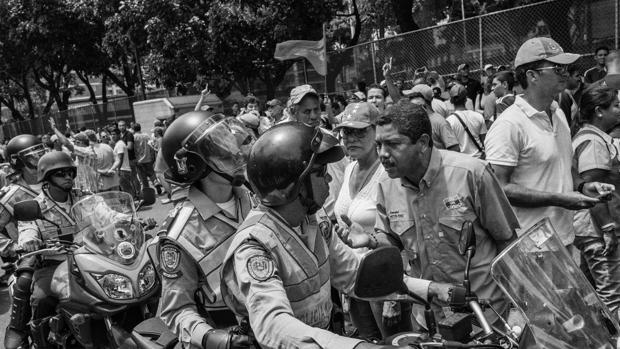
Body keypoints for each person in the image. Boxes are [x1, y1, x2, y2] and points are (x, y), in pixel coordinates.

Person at [220, 122, 438, 349]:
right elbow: (273, 324)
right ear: (293, 184)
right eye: (320, 172)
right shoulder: (255, 246)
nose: (329, 180)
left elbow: (355, 275)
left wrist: (431, 290)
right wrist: (358, 347)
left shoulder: (315, 218)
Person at [339, 102, 519, 325]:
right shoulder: (387, 184)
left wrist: (517, 305)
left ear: (423, 143)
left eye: (393, 144)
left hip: (485, 316)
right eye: (379, 145)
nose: (383, 154)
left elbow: (509, 244)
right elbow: (393, 242)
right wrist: (371, 240)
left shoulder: (471, 174)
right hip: (428, 320)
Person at [484, 37, 614, 247]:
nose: (565, 73)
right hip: (530, 245)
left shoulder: (557, 113)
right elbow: (499, 188)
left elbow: (563, 166)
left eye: (565, 67)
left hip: (562, 237)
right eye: (557, 68)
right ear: (532, 75)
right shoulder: (509, 125)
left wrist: (583, 187)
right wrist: (560, 199)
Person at [153, 111, 256, 349]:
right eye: (221, 150)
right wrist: (211, 338)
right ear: (194, 166)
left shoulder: (256, 199)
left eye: (230, 142)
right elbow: (177, 309)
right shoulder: (180, 235)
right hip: (238, 340)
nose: (235, 153)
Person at [333, 102, 410, 340]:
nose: (351, 138)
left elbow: (402, 236)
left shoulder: (388, 173)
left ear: (377, 132)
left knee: (395, 343)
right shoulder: (349, 169)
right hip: (355, 281)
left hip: (385, 283)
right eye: (346, 132)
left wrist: (394, 294)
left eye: (360, 131)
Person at [17, 151, 82, 348]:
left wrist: (127, 220)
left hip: (88, 259)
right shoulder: (37, 206)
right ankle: (43, 342)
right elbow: (27, 228)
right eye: (61, 173)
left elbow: (105, 213)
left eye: (70, 172)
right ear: (47, 177)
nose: (68, 177)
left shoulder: (83, 197)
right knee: (42, 298)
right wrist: (30, 240)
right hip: (53, 265)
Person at [572, 85, 620, 319]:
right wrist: (608, 228)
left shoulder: (594, 137)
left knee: (594, 291)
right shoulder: (592, 141)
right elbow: (593, 189)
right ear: (599, 111)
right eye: (616, 106)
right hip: (597, 229)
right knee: (612, 296)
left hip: (592, 228)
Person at [2, 135, 48, 349]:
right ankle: (17, 330)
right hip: (28, 257)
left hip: (68, 248)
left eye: (41, 151)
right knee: (25, 280)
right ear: (17, 162)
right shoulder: (10, 195)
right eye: (33, 155)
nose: (40, 157)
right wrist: (12, 247)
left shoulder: (55, 180)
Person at [405, 84, 460, 152]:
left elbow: (455, 149)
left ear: (421, 100)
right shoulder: (420, 120)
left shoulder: (439, 121)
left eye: (412, 97)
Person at [446, 84, 487, 158]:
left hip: (462, 161)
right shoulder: (478, 116)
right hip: (479, 159)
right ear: (466, 99)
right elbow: (485, 141)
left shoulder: (448, 121)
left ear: (451, 101)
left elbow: (452, 148)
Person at [109, 128, 136, 197]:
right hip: (123, 169)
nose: (112, 136)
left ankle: (133, 203)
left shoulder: (120, 144)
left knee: (126, 190)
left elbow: (120, 157)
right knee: (127, 189)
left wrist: (118, 169)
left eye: (114, 134)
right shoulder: (118, 144)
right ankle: (134, 202)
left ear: (119, 135)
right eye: (111, 134)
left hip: (123, 170)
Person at [133, 123, 159, 192]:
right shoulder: (146, 135)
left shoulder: (134, 137)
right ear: (140, 128)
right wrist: (152, 155)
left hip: (139, 160)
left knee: (143, 176)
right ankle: (155, 182)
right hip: (148, 158)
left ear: (133, 129)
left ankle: (147, 190)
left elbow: (133, 149)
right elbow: (151, 146)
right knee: (151, 173)